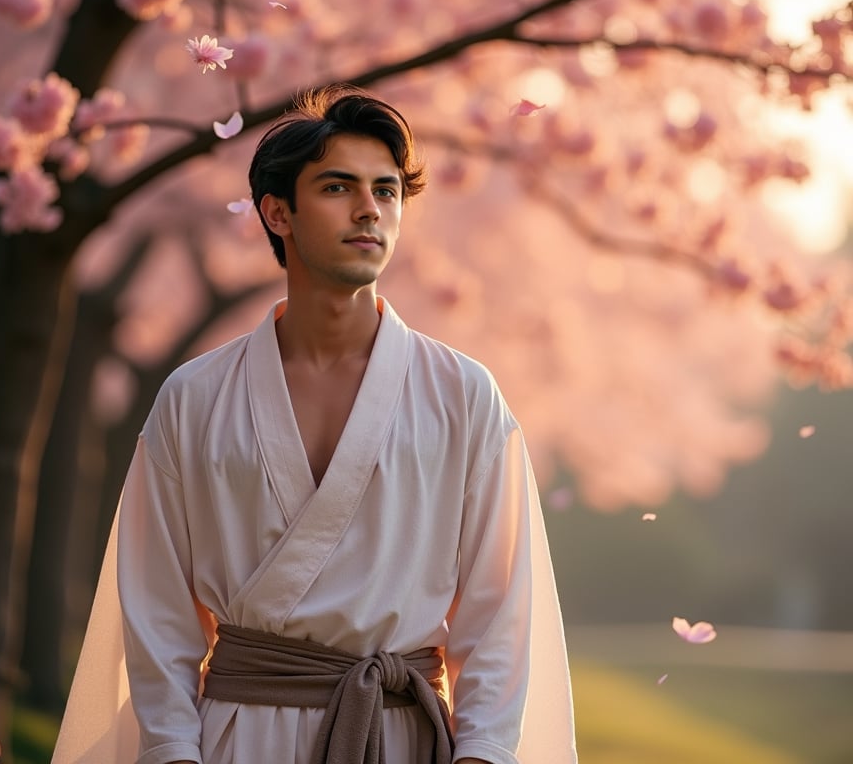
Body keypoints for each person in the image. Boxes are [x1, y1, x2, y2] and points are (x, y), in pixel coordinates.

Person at [51, 85, 577, 764]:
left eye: (386, 192)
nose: (369, 210)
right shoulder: (195, 398)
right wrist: (174, 750)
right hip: (239, 737)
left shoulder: (464, 396)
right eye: (337, 187)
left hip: (401, 736)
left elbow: (500, 611)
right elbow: (156, 609)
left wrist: (480, 751)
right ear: (279, 213)